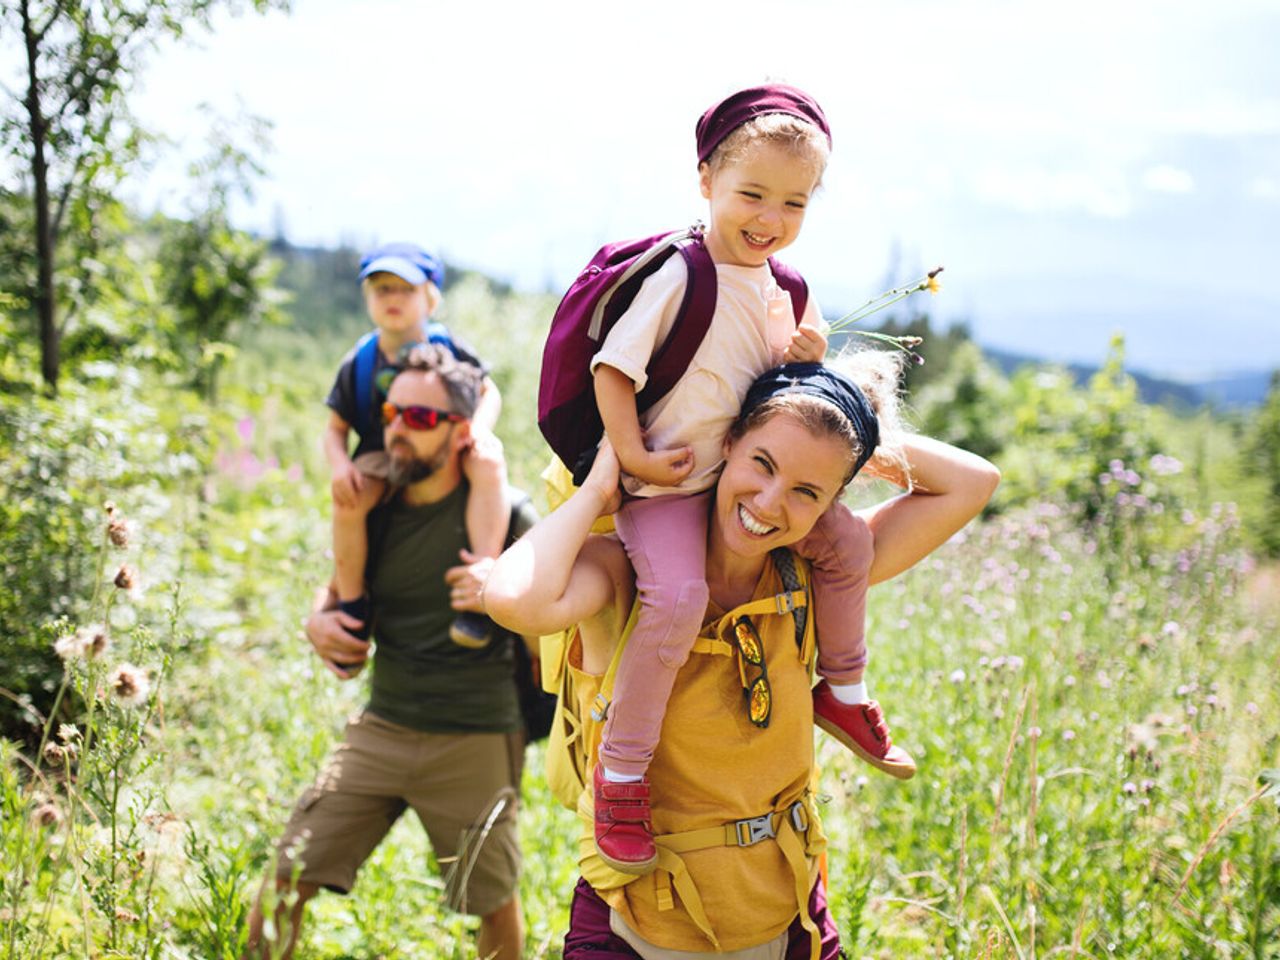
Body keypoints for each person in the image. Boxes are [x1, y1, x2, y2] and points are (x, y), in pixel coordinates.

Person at [485, 354, 1001, 958]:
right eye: (763, 462)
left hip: (788, 918)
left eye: (807, 491)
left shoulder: (815, 575)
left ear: (831, 502)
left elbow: (975, 481)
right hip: (635, 924)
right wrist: (602, 486)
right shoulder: (626, 571)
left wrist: (841, 420)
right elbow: (515, 599)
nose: (770, 502)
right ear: (725, 442)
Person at [575, 83, 913, 873]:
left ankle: (845, 689)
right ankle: (622, 773)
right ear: (706, 183)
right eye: (751, 194)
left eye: (793, 203)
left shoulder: (783, 285)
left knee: (847, 547)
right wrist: (632, 458)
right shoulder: (679, 275)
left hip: (740, 480)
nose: (770, 218)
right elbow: (613, 371)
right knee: (678, 598)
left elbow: (803, 356)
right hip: (668, 486)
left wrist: (806, 348)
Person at [245, 345, 536, 960]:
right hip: (383, 726)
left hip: (476, 734)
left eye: (421, 418)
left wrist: (505, 601)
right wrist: (316, 625)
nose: (398, 428)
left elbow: (553, 628)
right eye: (391, 413)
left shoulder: (507, 515)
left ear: (462, 432)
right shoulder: (375, 507)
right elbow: (334, 598)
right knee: (284, 879)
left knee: (493, 901)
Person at [324, 242, 508, 653]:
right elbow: (334, 429)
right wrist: (340, 466)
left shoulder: (450, 348)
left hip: (446, 443)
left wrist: (478, 429)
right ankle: (353, 604)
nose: (393, 299)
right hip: (381, 452)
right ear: (367, 298)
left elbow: (487, 391)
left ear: (430, 298)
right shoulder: (360, 361)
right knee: (348, 502)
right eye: (381, 289)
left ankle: (479, 585)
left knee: (489, 463)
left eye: (405, 290)